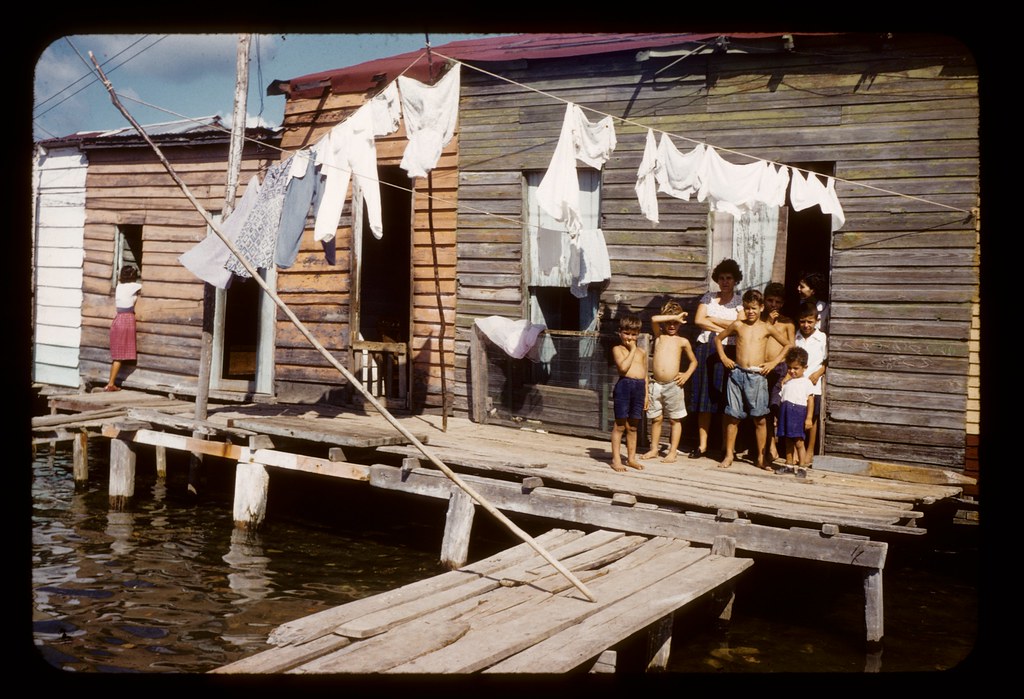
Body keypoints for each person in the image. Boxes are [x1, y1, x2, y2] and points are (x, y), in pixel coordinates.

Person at [714, 288, 793, 470]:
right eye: (748, 308)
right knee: (733, 417)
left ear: (761, 308)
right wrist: (724, 358)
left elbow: (787, 345)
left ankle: (760, 457)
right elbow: (718, 339)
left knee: (760, 419)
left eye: (755, 308)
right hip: (737, 374)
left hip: (757, 377)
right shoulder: (738, 325)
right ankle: (728, 455)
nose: (751, 312)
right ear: (744, 307)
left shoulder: (766, 327)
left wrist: (773, 363)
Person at [687, 258, 743, 459]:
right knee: (705, 397)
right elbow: (698, 320)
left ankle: (724, 447)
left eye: (729, 278)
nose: (725, 282)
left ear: (735, 280)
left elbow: (740, 324)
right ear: (717, 280)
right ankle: (702, 446)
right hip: (706, 350)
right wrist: (727, 327)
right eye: (721, 278)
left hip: (729, 351)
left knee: (726, 399)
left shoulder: (739, 301)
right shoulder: (708, 298)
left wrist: (714, 321)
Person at [641, 300, 697, 463]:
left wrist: (686, 375)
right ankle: (654, 449)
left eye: (676, 323)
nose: (672, 325)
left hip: (674, 385)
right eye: (669, 322)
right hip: (656, 385)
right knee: (656, 418)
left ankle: (672, 451)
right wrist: (675, 316)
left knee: (675, 419)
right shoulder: (659, 336)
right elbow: (653, 319)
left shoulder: (682, 342)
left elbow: (694, 362)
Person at [609, 313, 648, 472]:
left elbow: (645, 373)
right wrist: (632, 350)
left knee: (633, 426)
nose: (630, 338)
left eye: (633, 334)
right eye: (626, 333)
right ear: (620, 332)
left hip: (639, 387)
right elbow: (623, 368)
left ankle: (631, 458)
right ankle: (616, 459)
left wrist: (646, 394)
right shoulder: (617, 349)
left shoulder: (642, 352)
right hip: (624, 386)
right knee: (620, 425)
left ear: (638, 334)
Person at [762, 282, 795, 465]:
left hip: (780, 368)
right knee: (764, 409)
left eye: (778, 302)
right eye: (770, 301)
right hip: (762, 367)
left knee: (777, 407)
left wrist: (789, 373)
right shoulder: (759, 320)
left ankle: (787, 449)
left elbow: (792, 349)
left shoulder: (787, 322)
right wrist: (768, 323)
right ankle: (769, 446)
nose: (773, 305)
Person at [795, 300, 828, 463]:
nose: (806, 325)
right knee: (797, 416)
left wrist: (818, 373)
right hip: (797, 385)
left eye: (810, 322)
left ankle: (810, 450)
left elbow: (827, 360)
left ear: (816, 321)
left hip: (813, 385)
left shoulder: (822, 338)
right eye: (803, 321)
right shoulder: (796, 336)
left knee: (812, 419)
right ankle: (796, 450)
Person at [774, 347, 815, 475]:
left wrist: (808, 418)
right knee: (787, 440)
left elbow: (810, 401)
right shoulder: (786, 383)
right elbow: (782, 401)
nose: (792, 371)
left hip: (798, 413)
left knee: (798, 441)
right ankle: (789, 465)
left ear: (805, 367)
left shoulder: (806, 383)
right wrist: (777, 418)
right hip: (786, 412)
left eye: (795, 368)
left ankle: (802, 467)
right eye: (789, 368)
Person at [105, 265, 142, 391]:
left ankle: (110, 383)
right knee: (119, 355)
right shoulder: (133, 286)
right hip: (126, 319)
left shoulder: (120, 286)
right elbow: (146, 286)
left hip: (119, 318)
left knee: (118, 353)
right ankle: (110, 384)